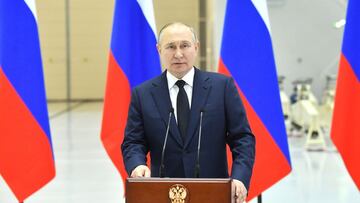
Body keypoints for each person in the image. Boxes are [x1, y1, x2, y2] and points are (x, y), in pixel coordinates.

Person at [121, 22, 255, 203]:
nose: (178, 54)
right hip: (162, 193)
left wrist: (239, 178)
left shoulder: (222, 87)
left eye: (184, 45)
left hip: (212, 192)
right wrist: (137, 165)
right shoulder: (143, 94)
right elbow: (133, 142)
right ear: (159, 49)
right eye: (170, 47)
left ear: (196, 47)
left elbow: (242, 139)